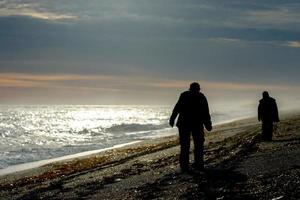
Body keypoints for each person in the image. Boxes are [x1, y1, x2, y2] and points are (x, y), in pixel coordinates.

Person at [169, 82, 212, 172]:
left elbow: (177, 108)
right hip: (194, 124)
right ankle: (196, 165)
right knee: (196, 145)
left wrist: (172, 119)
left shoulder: (186, 95)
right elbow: (205, 112)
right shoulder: (200, 96)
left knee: (187, 145)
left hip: (186, 124)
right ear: (197, 89)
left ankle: (187, 167)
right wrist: (208, 124)